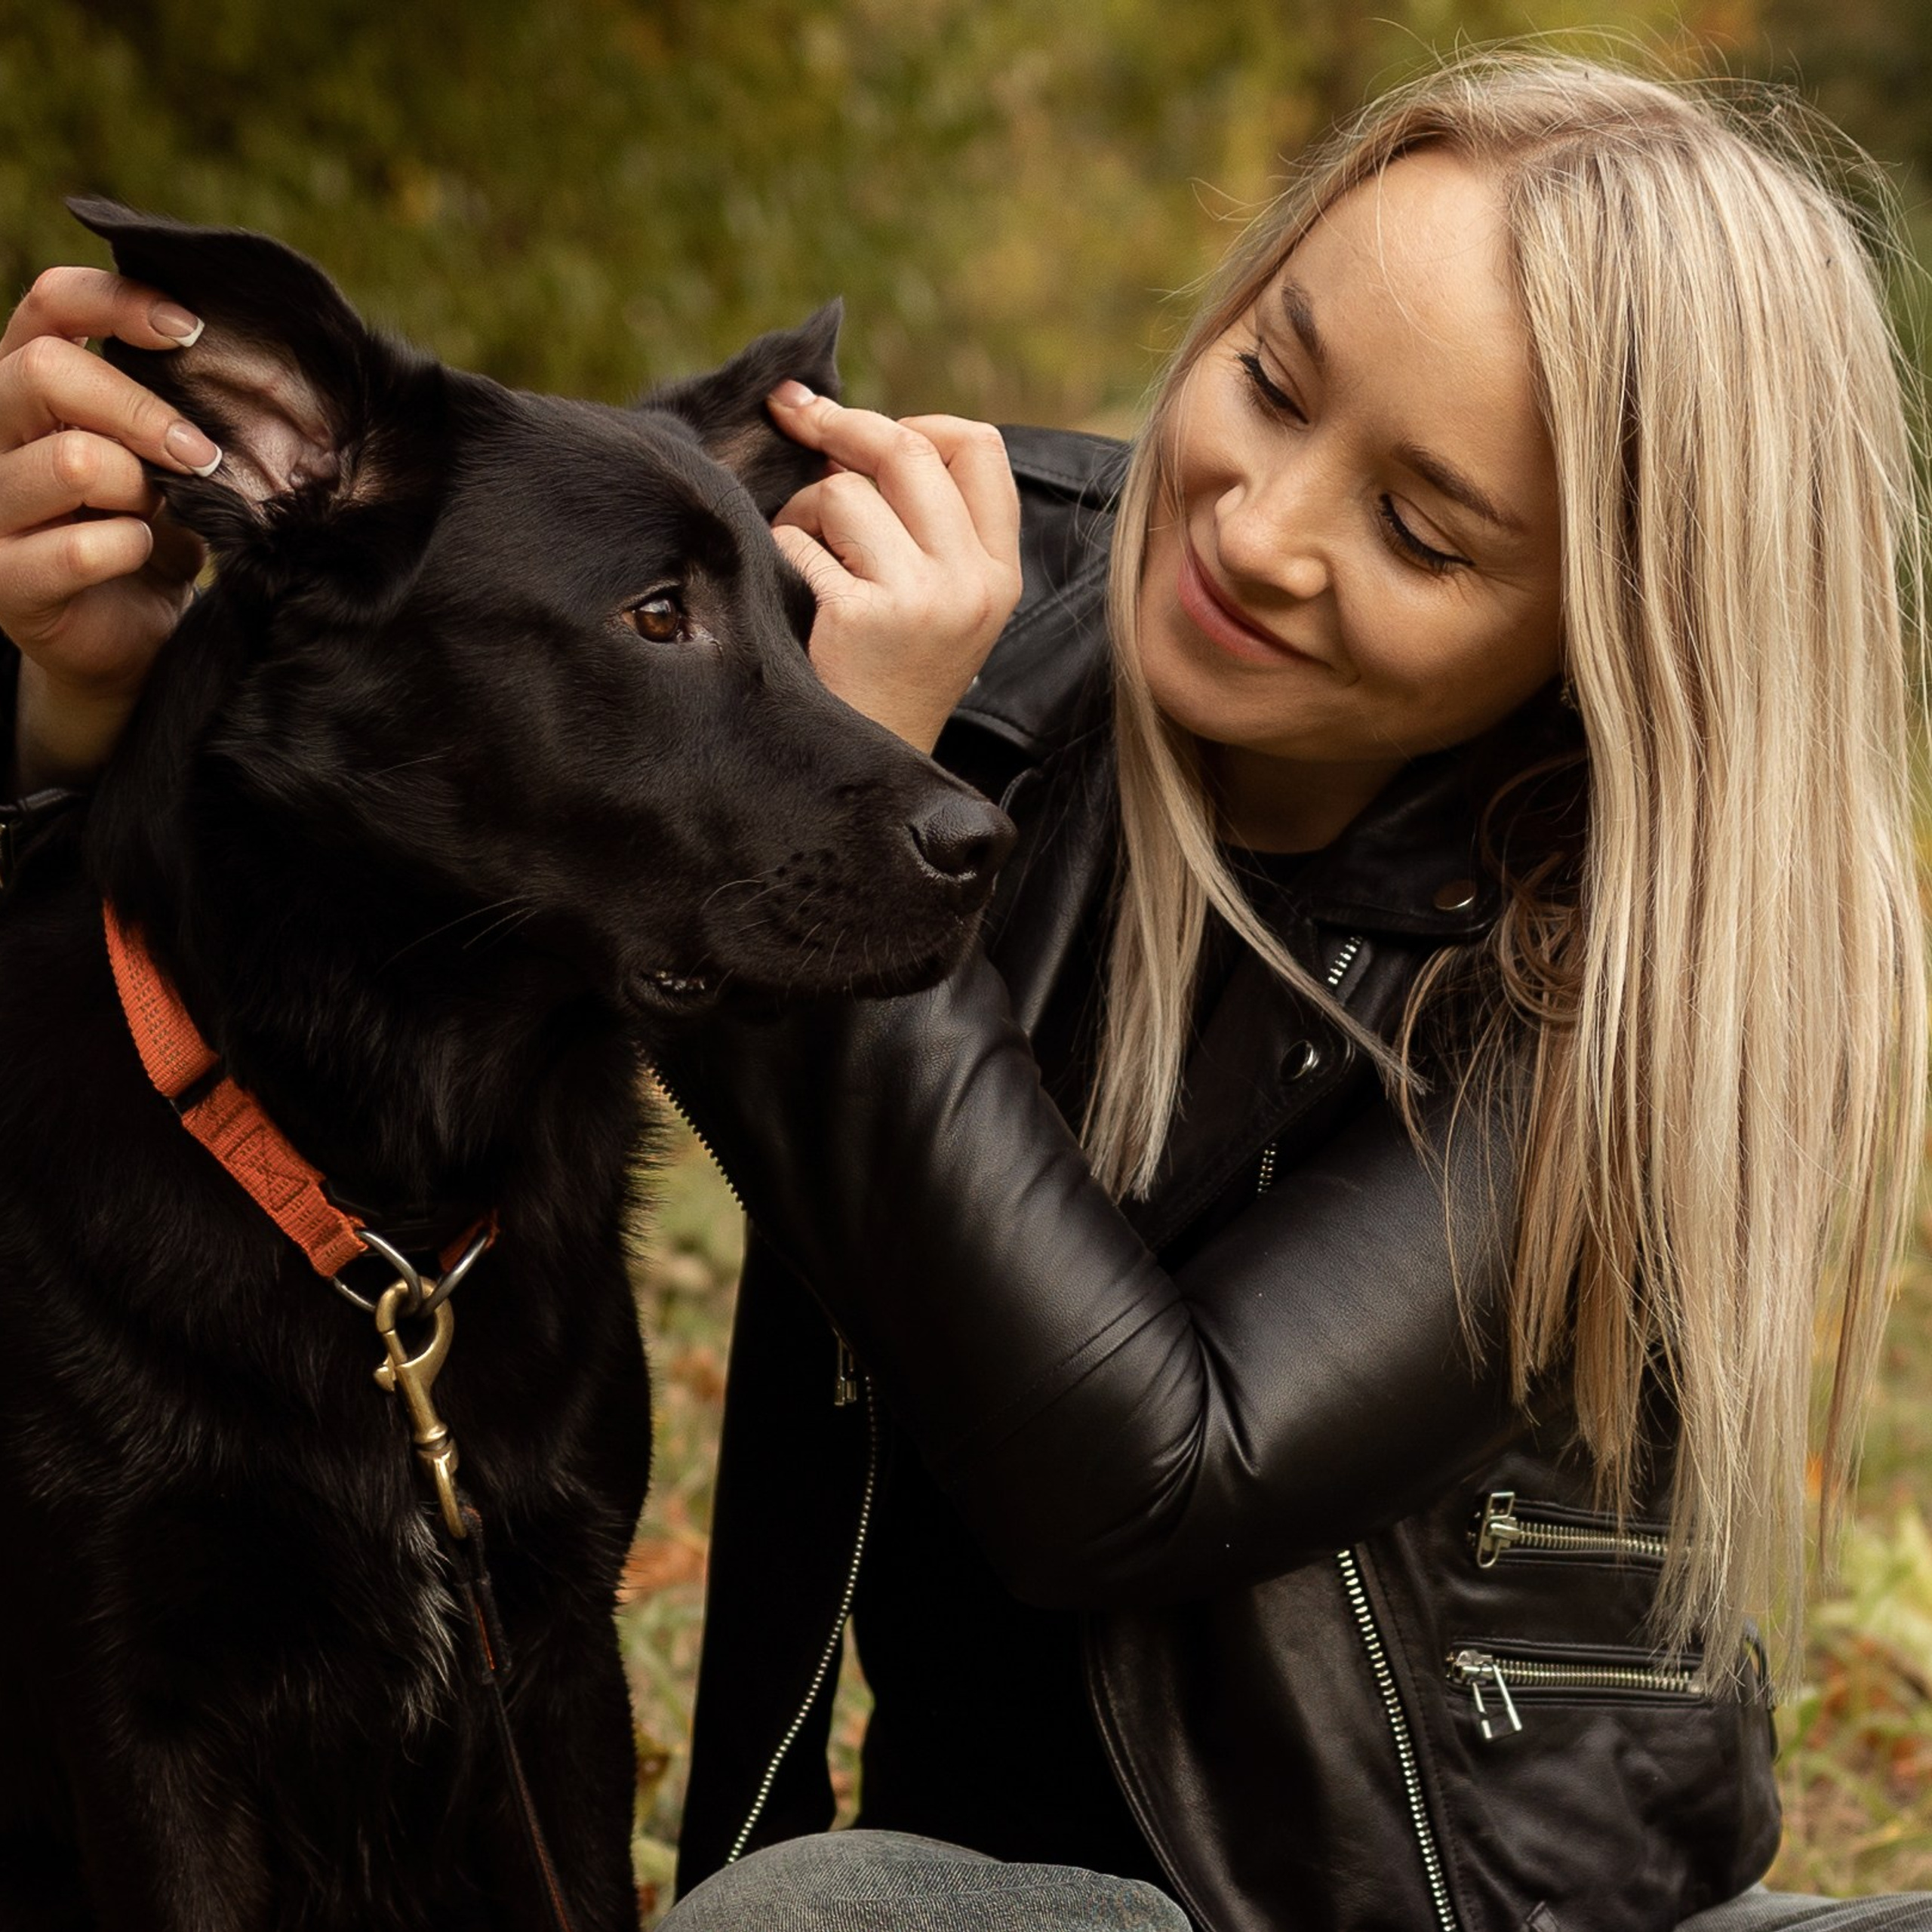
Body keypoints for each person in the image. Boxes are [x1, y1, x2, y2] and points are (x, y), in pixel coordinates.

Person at [2, 47, 1927, 1932]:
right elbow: (419, 763)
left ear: (1610, 643)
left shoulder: (1639, 956)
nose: (1254, 531)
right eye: (1265, 379)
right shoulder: (941, 592)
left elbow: (1147, 1476)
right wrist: (84, 712)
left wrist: (847, 832)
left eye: (1421, 530)